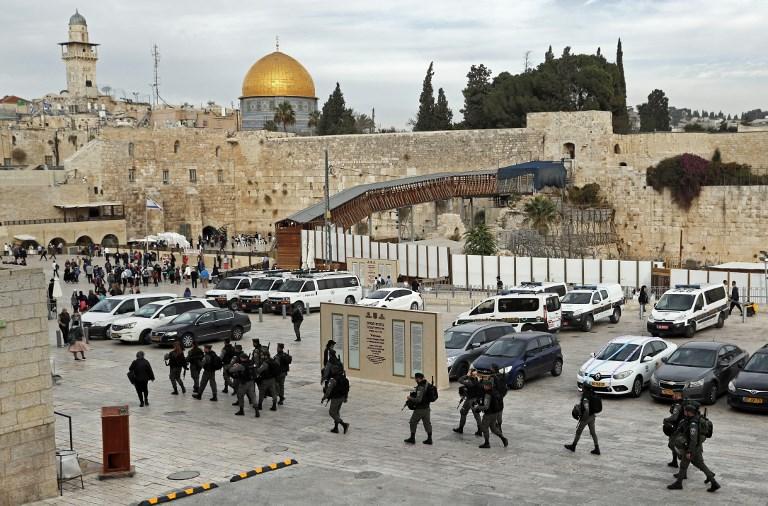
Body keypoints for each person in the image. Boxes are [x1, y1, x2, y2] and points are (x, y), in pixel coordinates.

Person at [667, 401, 719, 492]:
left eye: (685, 411)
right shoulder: (692, 419)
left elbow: (693, 439)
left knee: (684, 465)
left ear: (689, 412)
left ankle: (679, 483)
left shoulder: (693, 424)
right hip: (696, 448)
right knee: (700, 465)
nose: (684, 412)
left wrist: (689, 451)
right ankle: (713, 482)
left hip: (692, 448)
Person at [565, 382, 600, 455]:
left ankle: (573, 446)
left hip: (586, 417)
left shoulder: (586, 397)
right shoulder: (592, 394)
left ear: (585, 388)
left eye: (583, 387)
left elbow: (586, 409)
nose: (582, 388)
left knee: (578, 432)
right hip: (592, 416)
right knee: (593, 433)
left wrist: (583, 418)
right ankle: (597, 448)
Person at [477, 380, 508, 448]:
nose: (484, 386)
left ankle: (487, 443)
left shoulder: (488, 394)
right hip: (495, 413)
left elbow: (486, 406)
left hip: (489, 414)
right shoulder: (495, 391)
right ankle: (503, 438)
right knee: (493, 428)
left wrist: (478, 407)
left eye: (485, 385)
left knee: (484, 428)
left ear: (488, 386)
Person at [404, 373, 433, 445]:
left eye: (415, 379)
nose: (415, 380)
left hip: (420, 409)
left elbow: (418, 400)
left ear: (418, 378)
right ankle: (429, 439)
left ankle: (412, 438)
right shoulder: (427, 384)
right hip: (427, 408)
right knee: (427, 423)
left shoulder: (421, 387)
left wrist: (410, 398)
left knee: (412, 422)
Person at [453, 368, 483, 436]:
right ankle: (480, 430)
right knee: (477, 415)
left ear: (471, 374)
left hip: (470, 400)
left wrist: (466, 375)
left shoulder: (469, 381)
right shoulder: (477, 380)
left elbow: (460, 380)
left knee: (463, 413)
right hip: (476, 400)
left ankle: (460, 429)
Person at [322, 365, 350, 434]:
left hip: (335, 398)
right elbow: (347, 389)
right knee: (337, 412)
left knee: (332, 412)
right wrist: (345, 397)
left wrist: (324, 398)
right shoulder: (343, 377)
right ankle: (336, 428)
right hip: (342, 398)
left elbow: (328, 391)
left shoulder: (333, 379)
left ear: (334, 371)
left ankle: (344, 424)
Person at [664, 401, 684, 468]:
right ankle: (674, 461)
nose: (673, 396)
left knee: (671, 444)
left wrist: (666, 419)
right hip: (680, 427)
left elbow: (674, 417)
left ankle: (680, 455)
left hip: (677, 429)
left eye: (675, 394)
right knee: (673, 444)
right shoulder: (682, 403)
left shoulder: (678, 405)